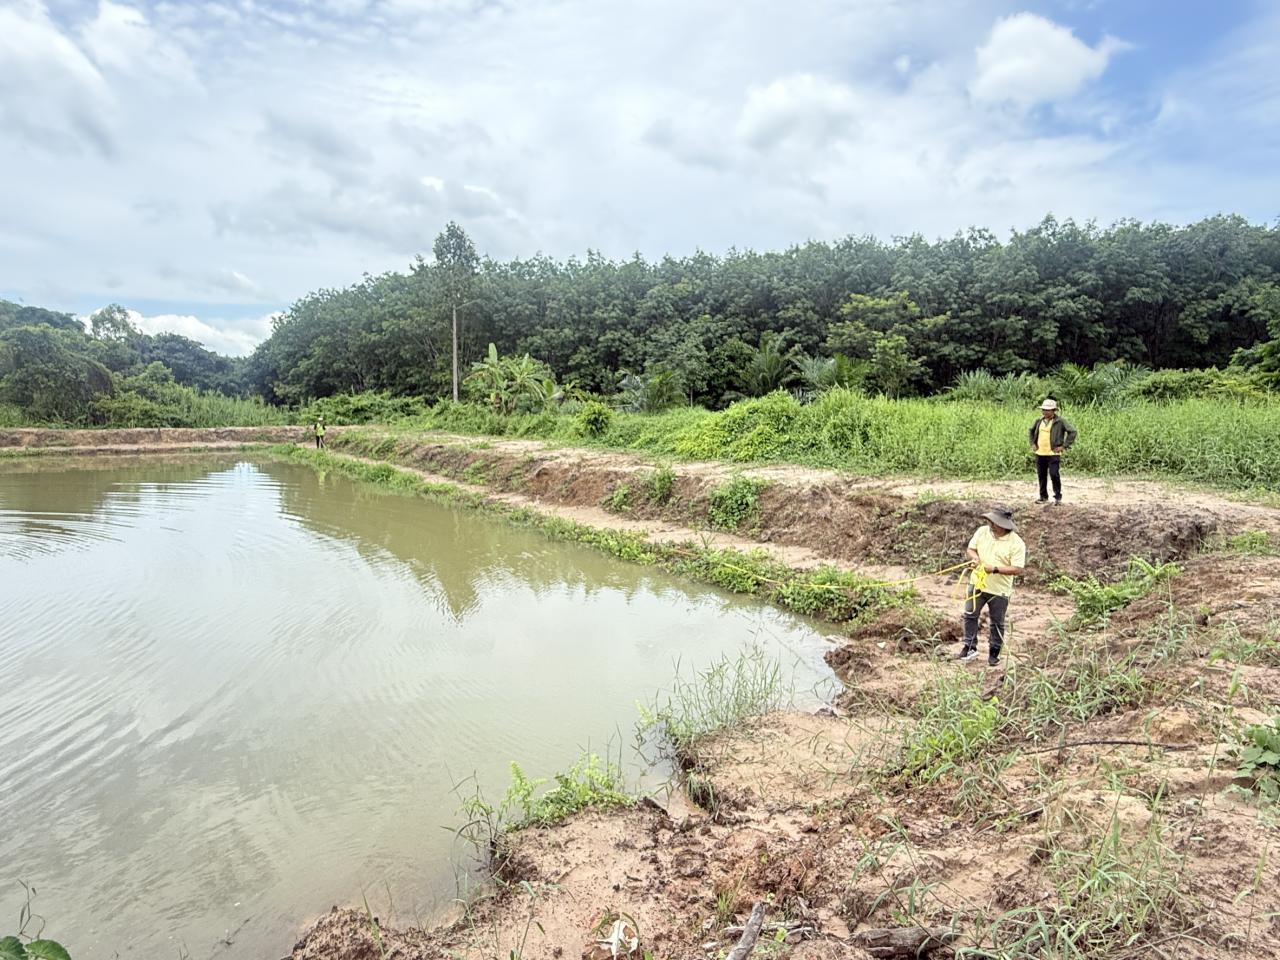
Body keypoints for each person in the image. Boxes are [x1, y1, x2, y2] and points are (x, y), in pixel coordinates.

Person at [955, 506, 1026, 666]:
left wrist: (993, 569)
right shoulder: (982, 532)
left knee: (997, 622)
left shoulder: (1016, 543)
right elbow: (971, 549)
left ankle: (994, 652)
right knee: (970, 615)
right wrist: (975, 559)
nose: (991, 525)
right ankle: (969, 647)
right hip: (977, 583)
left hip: (999, 590)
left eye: (994, 522)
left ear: (1004, 525)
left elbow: (1017, 569)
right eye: (990, 522)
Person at [1029, 398, 1077, 505]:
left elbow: (1072, 432)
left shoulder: (1060, 422)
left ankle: (1057, 497)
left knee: (1054, 474)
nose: (1045, 412)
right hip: (1040, 453)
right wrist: (1033, 443)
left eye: (1048, 410)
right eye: (1044, 410)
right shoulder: (1039, 421)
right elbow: (1031, 431)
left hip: (1053, 454)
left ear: (1053, 411)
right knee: (1041, 475)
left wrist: (1063, 446)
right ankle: (1043, 496)